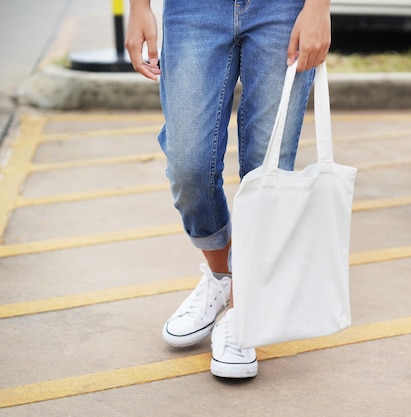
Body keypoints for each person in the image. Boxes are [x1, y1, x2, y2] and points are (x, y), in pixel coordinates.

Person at [125, 0, 331, 379]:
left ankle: (242, 312)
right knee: (188, 166)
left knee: (268, 167)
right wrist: (139, 7)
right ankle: (223, 275)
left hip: (283, 10)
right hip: (193, 10)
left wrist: (319, 8)